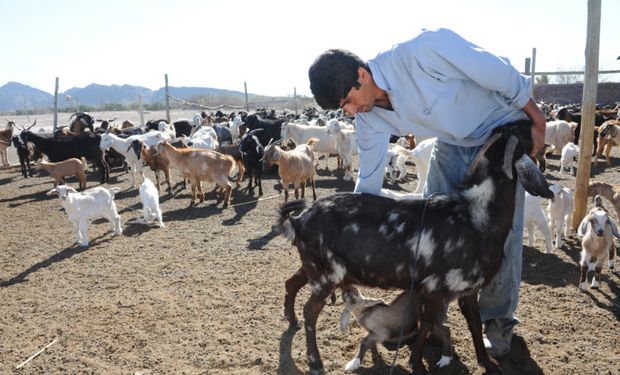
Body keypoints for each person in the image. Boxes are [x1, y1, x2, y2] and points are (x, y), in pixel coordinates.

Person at [308, 27, 546, 358]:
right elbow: (369, 185)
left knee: (498, 238)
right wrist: (349, 235)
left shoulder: (424, 52)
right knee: (428, 234)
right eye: (342, 108)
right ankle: (431, 321)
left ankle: (497, 322)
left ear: (362, 75)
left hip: (499, 135)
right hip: (451, 144)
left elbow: (498, 72)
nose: (349, 112)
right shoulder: (369, 120)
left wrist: (536, 118)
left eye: (347, 101)